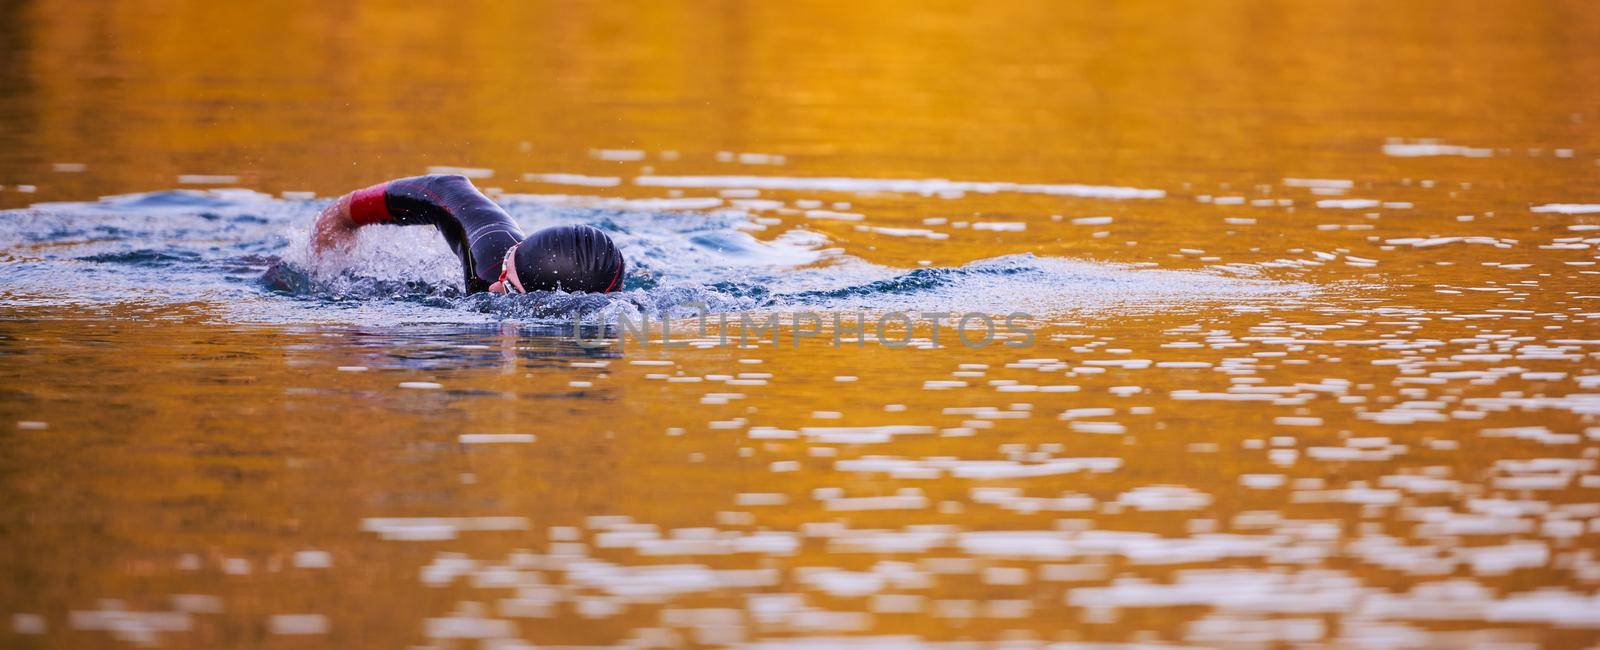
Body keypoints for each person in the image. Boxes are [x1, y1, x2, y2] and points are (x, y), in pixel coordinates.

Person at [310, 174, 626, 294]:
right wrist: (342, 216)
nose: (493, 290)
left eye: (511, 289)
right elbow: (448, 188)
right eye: (505, 269)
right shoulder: (490, 255)